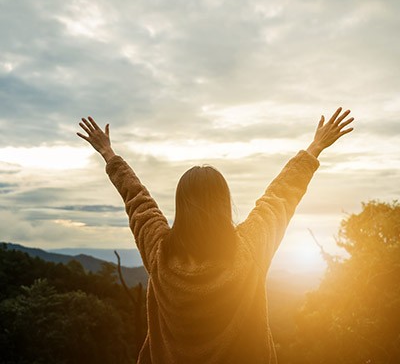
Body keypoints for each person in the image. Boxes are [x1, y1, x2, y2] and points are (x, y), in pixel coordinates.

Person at [77, 107, 354, 364]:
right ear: (223, 205)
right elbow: (279, 197)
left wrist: (109, 154)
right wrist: (315, 148)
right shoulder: (249, 248)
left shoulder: (159, 253)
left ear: (180, 206)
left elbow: (137, 199)